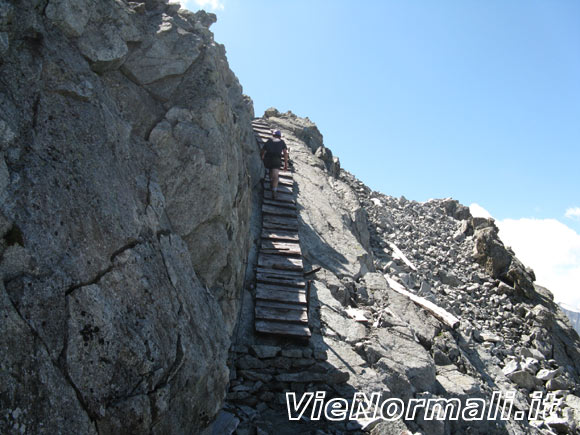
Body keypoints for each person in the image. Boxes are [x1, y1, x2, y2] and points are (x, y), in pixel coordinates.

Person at [261, 130, 288, 199]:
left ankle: (270, 181)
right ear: (280, 136)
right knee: (276, 175)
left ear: (273, 135)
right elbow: (285, 153)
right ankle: (274, 190)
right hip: (277, 159)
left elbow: (263, 150)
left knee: (270, 170)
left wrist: (262, 156)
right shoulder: (282, 142)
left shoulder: (269, 141)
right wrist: (285, 164)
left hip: (268, 159)